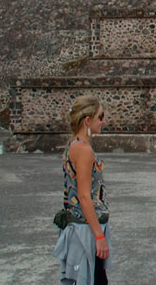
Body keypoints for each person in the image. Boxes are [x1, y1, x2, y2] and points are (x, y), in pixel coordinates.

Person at [54, 95, 111, 285]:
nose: (103, 121)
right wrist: (99, 236)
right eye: (100, 116)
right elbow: (84, 197)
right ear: (87, 120)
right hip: (86, 230)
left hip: (81, 227)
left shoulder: (74, 145)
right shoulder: (84, 150)